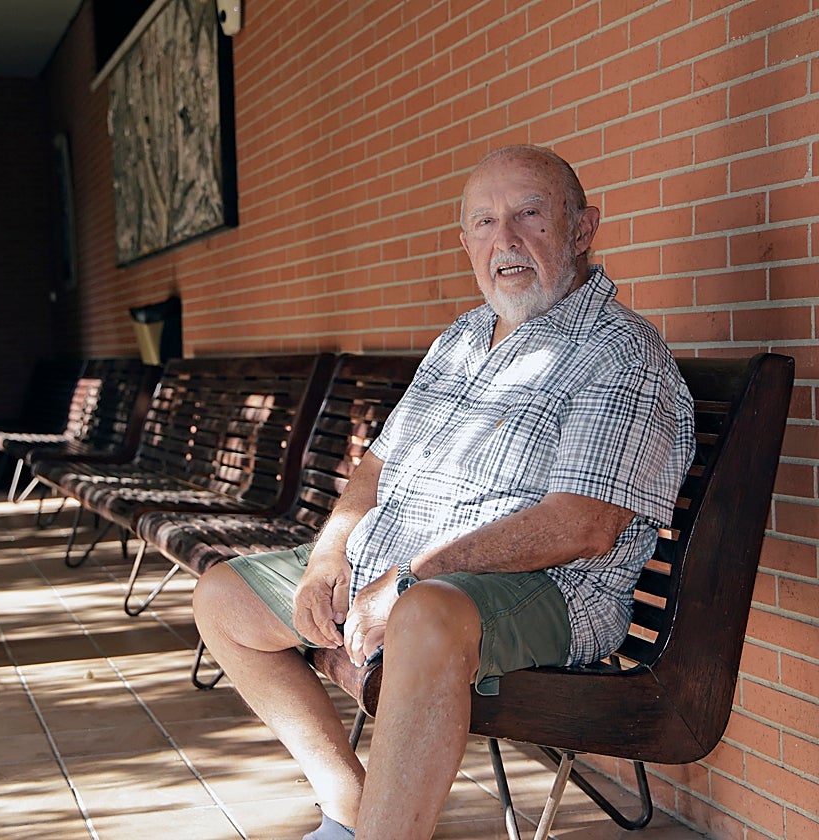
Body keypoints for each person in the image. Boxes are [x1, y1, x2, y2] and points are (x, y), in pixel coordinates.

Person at [192, 145, 696, 839]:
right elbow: (374, 470)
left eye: (529, 216)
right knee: (223, 598)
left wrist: (406, 583)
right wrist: (328, 559)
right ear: (465, 244)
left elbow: (581, 527)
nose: (506, 240)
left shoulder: (619, 351)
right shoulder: (461, 338)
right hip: (397, 572)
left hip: (550, 588)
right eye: (485, 223)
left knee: (424, 618)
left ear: (582, 230)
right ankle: (350, 811)